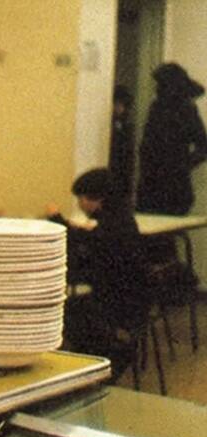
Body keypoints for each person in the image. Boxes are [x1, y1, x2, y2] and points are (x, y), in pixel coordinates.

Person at [46, 168, 149, 381]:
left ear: (95, 198)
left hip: (117, 304)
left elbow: (84, 243)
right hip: (133, 299)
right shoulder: (121, 217)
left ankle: (90, 370)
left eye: (81, 198)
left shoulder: (110, 226)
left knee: (62, 314)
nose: (80, 204)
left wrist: (57, 219)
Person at [136, 62, 207, 215]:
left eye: (161, 84)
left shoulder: (186, 110)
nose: (157, 88)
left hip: (174, 187)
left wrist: (181, 166)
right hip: (151, 183)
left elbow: (203, 146)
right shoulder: (156, 108)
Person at [109, 85, 135, 202]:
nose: (120, 108)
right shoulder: (112, 123)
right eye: (117, 104)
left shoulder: (126, 124)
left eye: (122, 105)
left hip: (123, 168)